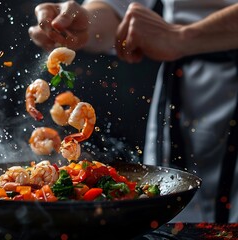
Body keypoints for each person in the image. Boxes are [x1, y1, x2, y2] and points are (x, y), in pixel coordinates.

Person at [28, 0, 238, 223]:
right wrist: (83, 24)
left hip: (198, 64)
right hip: (183, 91)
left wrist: (184, 36)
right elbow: (118, 10)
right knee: (171, 217)